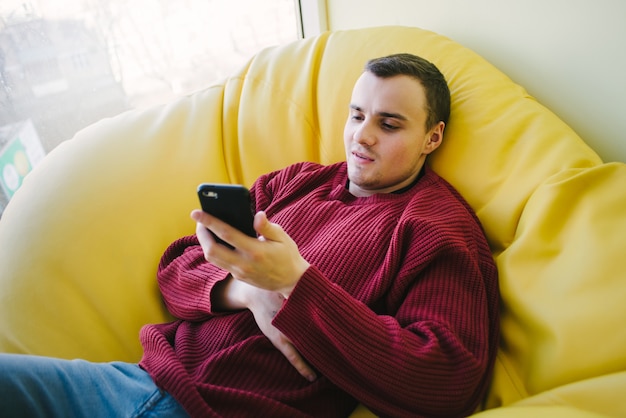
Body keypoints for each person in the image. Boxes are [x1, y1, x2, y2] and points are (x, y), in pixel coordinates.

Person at [0, 53, 499, 418]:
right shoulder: (298, 181)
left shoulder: (435, 228)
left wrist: (299, 283)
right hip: (139, 379)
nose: (362, 136)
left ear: (432, 137)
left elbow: (446, 379)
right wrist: (250, 290)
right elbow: (176, 268)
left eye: (389, 124)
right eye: (356, 115)